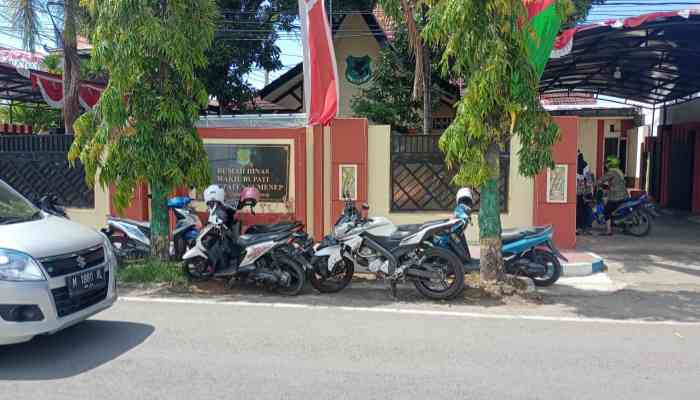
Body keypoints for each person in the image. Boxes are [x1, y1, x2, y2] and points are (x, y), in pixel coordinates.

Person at [598, 156, 627, 236]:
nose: (606, 164)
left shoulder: (611, 172)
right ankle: (621, 225)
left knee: (606, 211)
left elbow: (601, 180)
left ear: (611, 164)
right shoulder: (619, 171)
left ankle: (608, 231)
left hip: (616, 197)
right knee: (614, 210)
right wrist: (607, 187)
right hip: (624, 195)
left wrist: (596, 183)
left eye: (607, 162)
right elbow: (615, 184)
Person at [576, 151, 593, 235]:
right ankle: (584, 228)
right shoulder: (584, 164)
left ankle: (580, 228)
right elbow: (589, 179)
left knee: (581, 210)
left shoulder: (581, 164)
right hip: (584, 192)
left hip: (581, 192)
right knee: (584, 210)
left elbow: (588, 179)